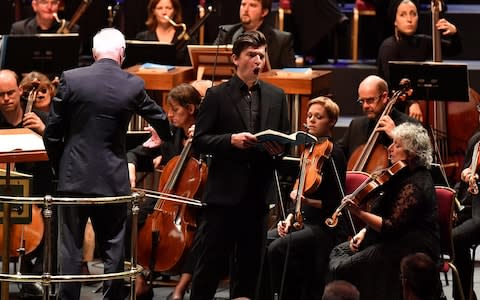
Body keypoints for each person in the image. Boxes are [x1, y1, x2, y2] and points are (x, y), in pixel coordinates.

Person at [43, 28, 172, 300]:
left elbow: (52, 131)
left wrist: (60, 166)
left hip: (73, 177)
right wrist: (161, 136)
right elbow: (160, 118)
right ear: (122, 54)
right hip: (112, 180)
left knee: (70, 250)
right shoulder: (133, 84)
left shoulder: (72, 79)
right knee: (114, 248)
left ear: (93, 53)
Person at [190, 30, 290, 299]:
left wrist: (280, 148)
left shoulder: (277, 95)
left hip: (256, 196)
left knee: (248, 270)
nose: (258, 60)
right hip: (222, 197)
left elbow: (286, 141)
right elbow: (199, 140)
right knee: (208, 267)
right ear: (235, 59)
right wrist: (230, 140)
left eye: (261, 55)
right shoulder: (216, 95)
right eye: (251, 55)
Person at [329, 122, 441, 300]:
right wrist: (365, 231)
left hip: (411, 245)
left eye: (396, 145)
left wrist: (358, 213)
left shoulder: (416, 184)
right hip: (390, 238)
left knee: (344, 266)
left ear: (411, 153)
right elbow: (384, 212)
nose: (389, 148)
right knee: (338, 251)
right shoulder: (401, 174)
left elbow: (390, 226)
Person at [267, 96, 347, 300]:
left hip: (323, 226)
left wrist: (307, 202)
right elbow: (298, 191)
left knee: (277, 248)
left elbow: (335, 204)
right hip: (302, 221)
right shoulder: (307, 150)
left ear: (331, 121)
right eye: (309, 116)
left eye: (318, 117)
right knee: (266, 238)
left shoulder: (333, 154)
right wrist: (289, 219)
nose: (311, 120)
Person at [377, 0, 462, 120]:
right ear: (395, 21)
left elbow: (454, 50)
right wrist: (411, 103)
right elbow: (393, 82)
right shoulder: (389, 46)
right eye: (403, 14)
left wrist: (454, 33)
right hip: (394, 107)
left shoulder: (422, 41)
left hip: (418, 104)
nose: (409, 19)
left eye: (413, 14)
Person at [336, 75, 417, 164]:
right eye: (362, 101)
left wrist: (397, 136)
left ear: (384, 97)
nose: (365, 106)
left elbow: (419, 161)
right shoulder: (356, 125)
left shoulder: (410, 125)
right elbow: (337, 154)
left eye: (370, 100)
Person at [214, 0, 296, 69]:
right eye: (243, 4)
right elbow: (211, 64)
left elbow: (290, 74)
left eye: (252, 5)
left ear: (264, 12)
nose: (245, 9)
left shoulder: (281, 40)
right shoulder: (225, 33)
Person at [452, 105, 480, 300]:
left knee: (454, 239)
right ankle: (465, 294)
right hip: (468, 207)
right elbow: (461, 184)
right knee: (430, 230)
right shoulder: (476, 140)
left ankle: (463, 296)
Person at [135, 0, 196, 65]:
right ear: (153, 11)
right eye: (159, 8)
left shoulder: (186, 38)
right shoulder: (143, 37)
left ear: (175, 11)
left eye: (168, 8)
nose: (164, 12)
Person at [10, 0, 79, 34]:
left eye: (54, 2)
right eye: (44, 2)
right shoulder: (19, 29)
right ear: (34, 6)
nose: (49, 7)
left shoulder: (71, 29)